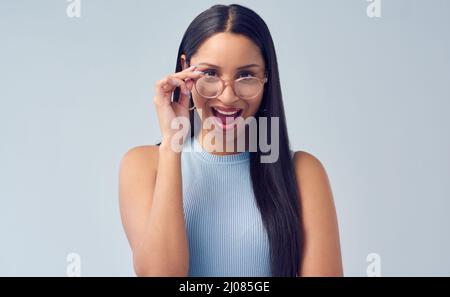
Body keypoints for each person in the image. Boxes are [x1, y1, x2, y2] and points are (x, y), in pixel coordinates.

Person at [119, 4, 343, 277]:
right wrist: (172, 144)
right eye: (210, 74)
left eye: (246, 75)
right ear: (185, 69)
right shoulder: (144, 165)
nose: (227, 97)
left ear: (266, 77)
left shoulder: (303, 172)